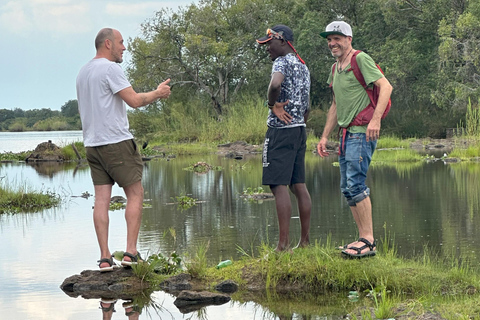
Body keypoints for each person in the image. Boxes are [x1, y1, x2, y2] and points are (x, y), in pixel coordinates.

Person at [76, 28, 171, 271]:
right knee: (136, 193)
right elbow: (135, 101)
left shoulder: (83, 71)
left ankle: (105, 257)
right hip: (116, 143)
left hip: (92, 145)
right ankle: (131, 252)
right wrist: (159, 93)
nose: (124, 47)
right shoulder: (110, 69)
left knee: (101, 200)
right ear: (107, 44)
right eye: (121, 42)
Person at [316, 21, 393, 258]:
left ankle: (369, 241)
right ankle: (362, 238)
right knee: (347, 188)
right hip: (346, 133)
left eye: (337, 38)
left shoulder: (360, 59)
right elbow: (336, 105)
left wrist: (376, 120)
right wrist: (324, 136)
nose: (332, 43)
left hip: (362, 131)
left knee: (356, 184)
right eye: (329, 39)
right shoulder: (335, 68)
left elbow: (386, 86)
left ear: (349, 39)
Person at [256, 25, 312, 252]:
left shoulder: (281, 63)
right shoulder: (302, 65)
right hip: (299, 130)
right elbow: (307, 104)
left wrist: (272, 105)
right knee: (298, 185)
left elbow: (275, 84)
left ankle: (282, 246)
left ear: (282, 40)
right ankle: (305, 243)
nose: (267, 48)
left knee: (278, 185)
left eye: (269, 43)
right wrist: (300, 118)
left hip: (280, 130)